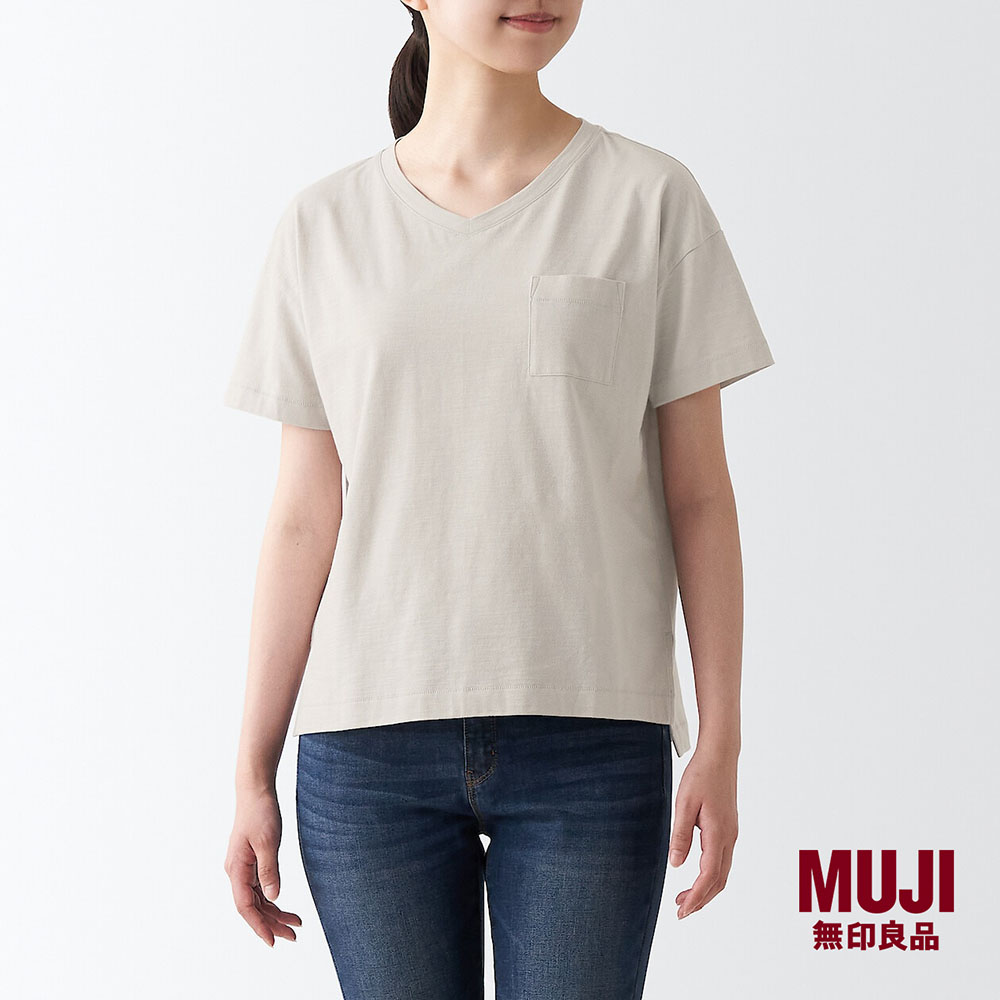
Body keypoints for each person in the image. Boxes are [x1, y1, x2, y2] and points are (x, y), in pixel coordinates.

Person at [222, 2, 775, 997]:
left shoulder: (649, 199)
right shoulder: (324, 225)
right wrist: (250, 767)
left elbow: (699, 495)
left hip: (592, 742)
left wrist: (723, 738)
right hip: (368, 750)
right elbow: (303, 516)